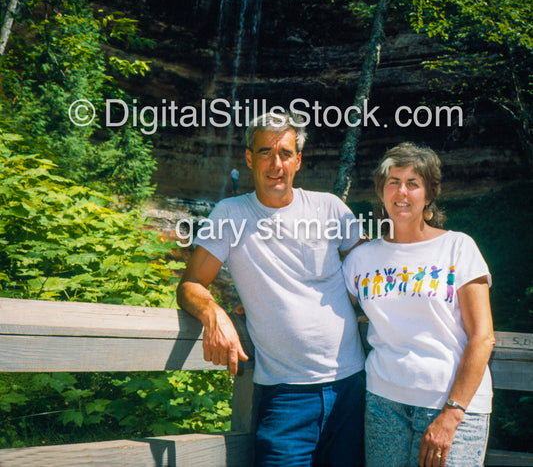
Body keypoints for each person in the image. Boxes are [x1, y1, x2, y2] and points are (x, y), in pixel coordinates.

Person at [178, 111, 366, 467]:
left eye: (284, 153)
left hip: (351, 388)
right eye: (265, 152)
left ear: (298, 160)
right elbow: (190, 283)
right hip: (285, 396)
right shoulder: (230, 215)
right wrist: (213, 312)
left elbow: (372, 270)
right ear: (250, 158)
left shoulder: (329, 208)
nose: (275, 163)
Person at [342, 142, 495, 467]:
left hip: (453, 405)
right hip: (384, 403)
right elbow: (329, 305)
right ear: (381, 191)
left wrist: (452, 414)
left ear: (429, 194)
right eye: (393, 182)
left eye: (413, 183)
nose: (402, 192)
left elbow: (483, 337)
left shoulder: (458, 247)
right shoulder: (360, 259)